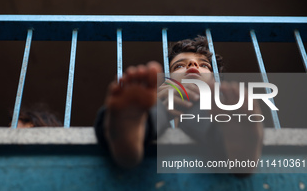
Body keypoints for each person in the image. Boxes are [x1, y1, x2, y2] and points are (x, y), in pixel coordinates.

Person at [95, 36, 263, 172]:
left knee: (200, 108)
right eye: (179, 66)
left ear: (215, 79)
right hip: (156, 115)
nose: (192, 65)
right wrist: (155, 102)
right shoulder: (155, 99)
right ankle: (129, 127)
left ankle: (236, 143)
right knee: (155, 105)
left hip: (207, 117)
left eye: (204, 65)